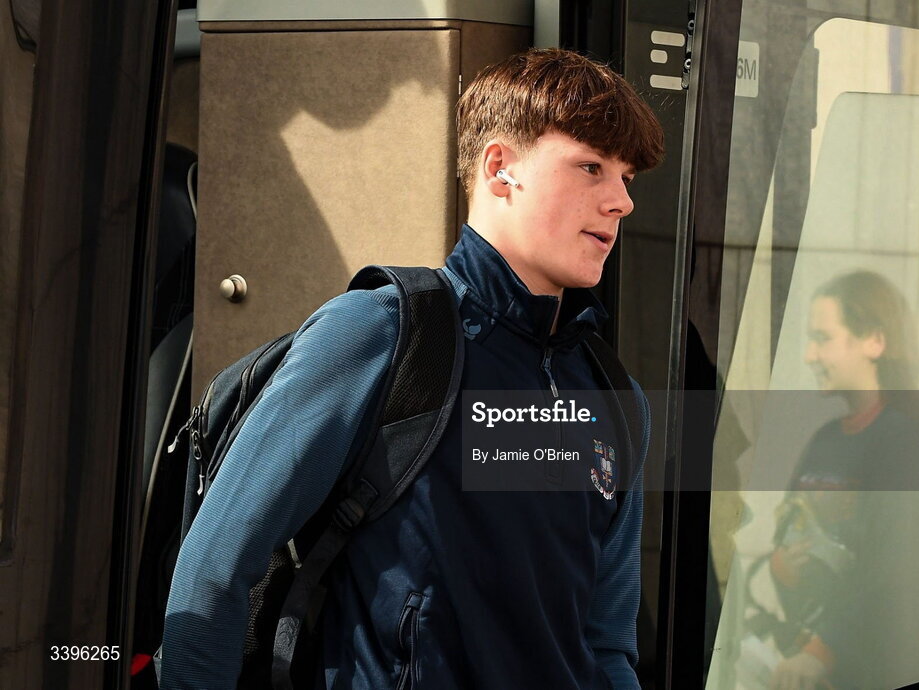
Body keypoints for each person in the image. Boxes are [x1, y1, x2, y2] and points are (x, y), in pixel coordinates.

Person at [161, 48, 665, 689]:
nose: (620, 201)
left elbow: (607, 646)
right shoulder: (382, 333)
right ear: (501, 168)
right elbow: (213, 572)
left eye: (626, 177)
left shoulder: (615, 397)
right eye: (592, 166)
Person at [766, 271, 919, 690]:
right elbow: (786, 535)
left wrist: (823, 650)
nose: (808, 355)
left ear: (875, 340)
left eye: (822, 338)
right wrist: (783, 569)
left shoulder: (909, 440)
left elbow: (897, 569)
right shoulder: (825, 440)